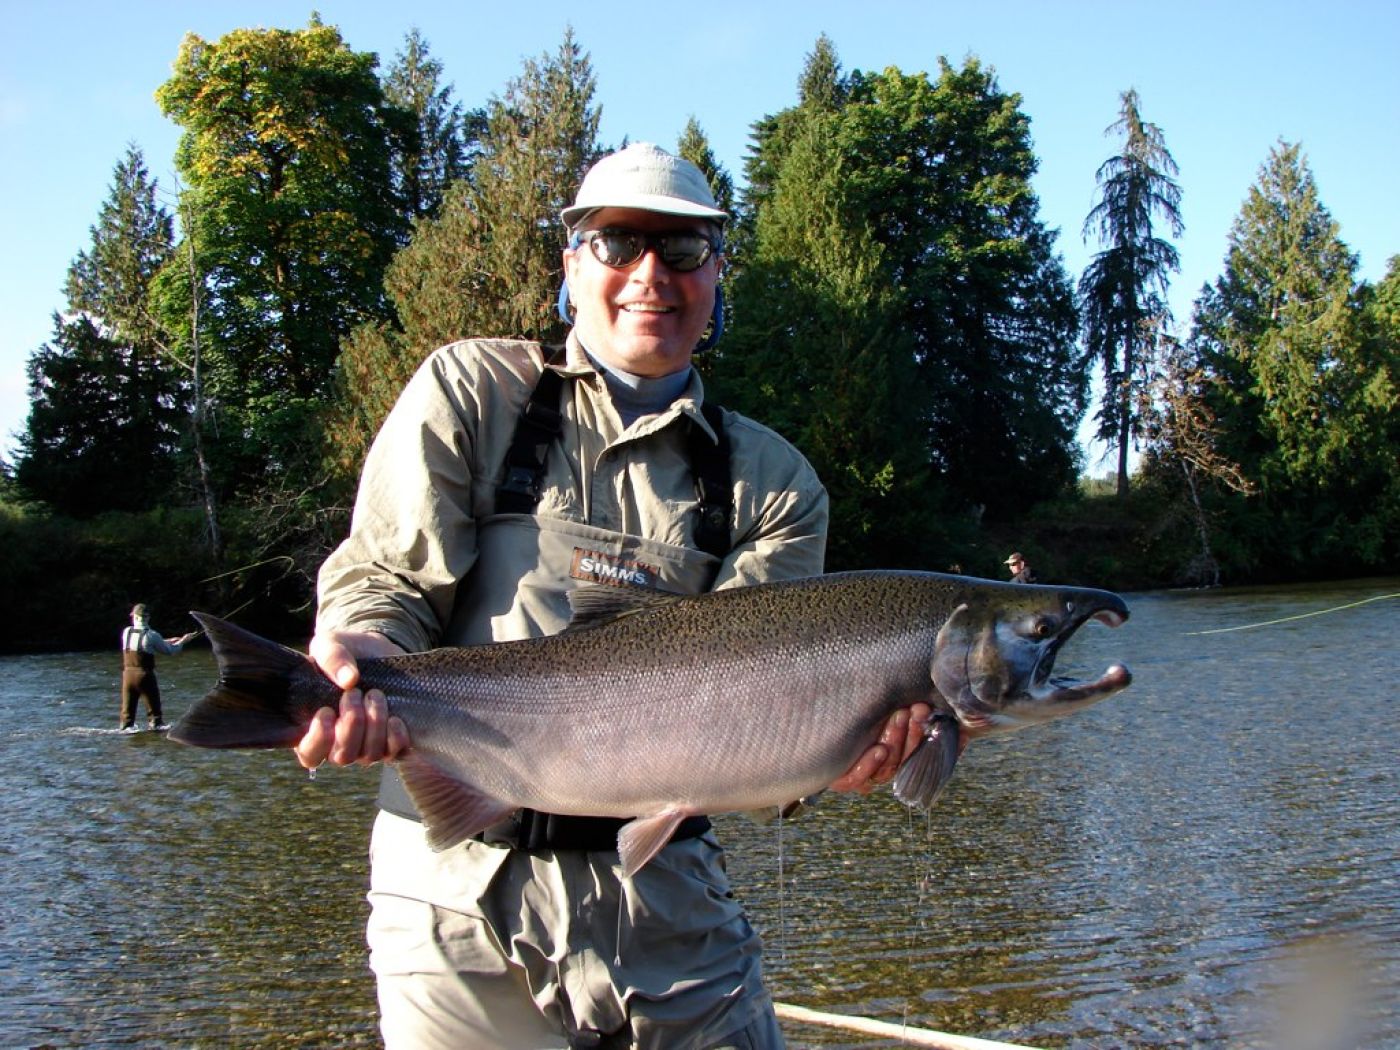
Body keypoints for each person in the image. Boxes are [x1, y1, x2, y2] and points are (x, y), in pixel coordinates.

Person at [295, 142, 931, 1049]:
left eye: (683, 251)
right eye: (618, 243)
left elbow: (768, 715)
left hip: (661, 895)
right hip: (449, 886)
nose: (650, 276)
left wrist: (840, 752)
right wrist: (358, 653)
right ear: (571, 262)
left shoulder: (774, 483)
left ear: (717, 273)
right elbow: (388, 579)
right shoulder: (475, 392)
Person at [119, 603, 196, 731]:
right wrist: (183, 641)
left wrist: (168, 640)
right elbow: (170, 651)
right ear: (147, 618)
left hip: (127, 676)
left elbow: (141, 644)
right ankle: (155, 739)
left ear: (134, 617)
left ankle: (126, 734)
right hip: (144, 676)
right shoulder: (152, 635)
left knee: (127, 718)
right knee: (155, 719)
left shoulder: (126, 632)